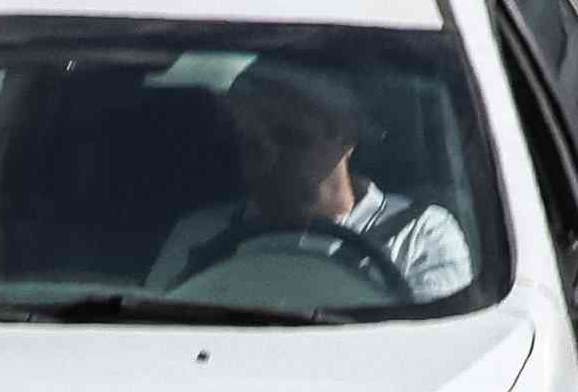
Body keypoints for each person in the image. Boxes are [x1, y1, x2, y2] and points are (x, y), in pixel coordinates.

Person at [164, 68, 486, 305]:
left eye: (290, 138)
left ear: (346, 136)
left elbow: (433, 346)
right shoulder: (200, 237)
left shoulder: (419, 234)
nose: (269, 159)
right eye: (252, 145)